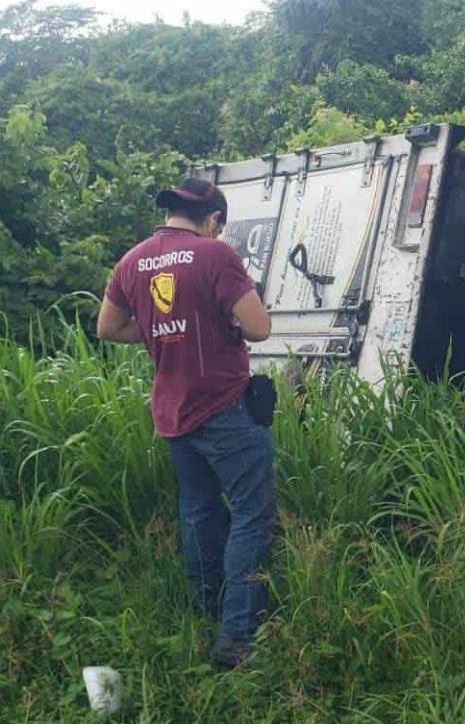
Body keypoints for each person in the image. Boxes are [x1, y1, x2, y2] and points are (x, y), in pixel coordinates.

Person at [96, 178, 275, 669]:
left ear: (171, 210)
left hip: (174, 413)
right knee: (249, 515)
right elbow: (259, 328)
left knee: (198, 514)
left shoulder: (131, 262)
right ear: (212, 217)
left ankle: (203, 615)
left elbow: (107, 328)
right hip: (224, 408)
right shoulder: (215, 255)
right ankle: (237, 639)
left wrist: (157, 331)